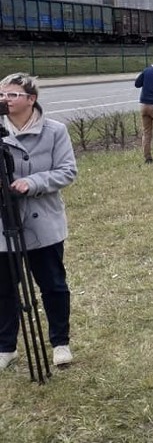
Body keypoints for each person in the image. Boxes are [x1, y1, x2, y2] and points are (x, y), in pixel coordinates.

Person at [0, 73, 78, 369]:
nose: (6, 100)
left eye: (12, 95)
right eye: (2, 95)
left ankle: (60, 342)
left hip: (42, 221)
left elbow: (67, 171)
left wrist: (32, 182)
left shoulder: (55, 131)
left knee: (53, 285)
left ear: (31, 99)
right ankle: (6, 346)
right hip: (3, 223)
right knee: (4, 288)